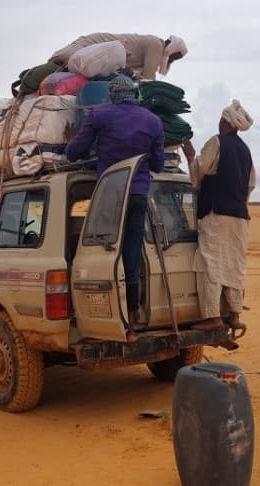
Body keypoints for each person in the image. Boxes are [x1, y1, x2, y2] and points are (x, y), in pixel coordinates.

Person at [65, 75, 164, 335]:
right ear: (133, 94)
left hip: (110, 195)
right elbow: (158, 165)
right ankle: (131, 315)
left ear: (112, 95)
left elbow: (76, 149)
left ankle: (107, 316)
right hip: (139, 195)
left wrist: (75, 151)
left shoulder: (100, 115)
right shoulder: (153, 121)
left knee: (103, 253)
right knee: (130, 254)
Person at [182, 100, 255, 333]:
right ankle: (234, 314)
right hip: (239, 217)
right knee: (233, 264)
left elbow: (199, 172)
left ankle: (212, 316)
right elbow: (250, 184)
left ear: (224, 121)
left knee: (209, 262)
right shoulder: (245, 150)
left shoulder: (217, 142)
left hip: (216, 213)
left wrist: (191, 157)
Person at [50, 33, 188, 80]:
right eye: (175, 56)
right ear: (171, 48)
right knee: (65, 60)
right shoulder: (156, 45)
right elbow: (148, 79)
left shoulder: (154, 47)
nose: (172, 60)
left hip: (94, 56)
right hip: (90, 47)